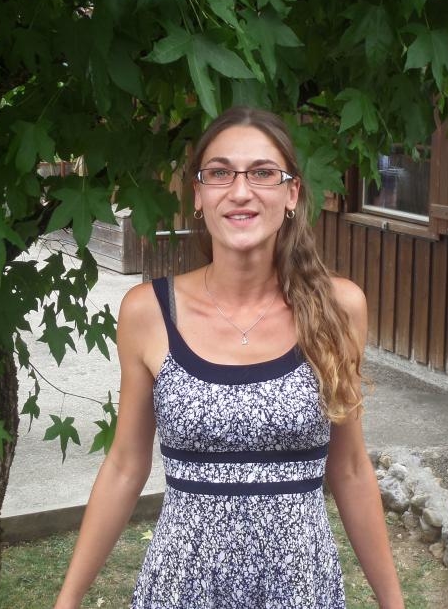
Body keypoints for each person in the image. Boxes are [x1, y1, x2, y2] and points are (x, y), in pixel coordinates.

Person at [53, 106, 405, 609]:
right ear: (198, 195)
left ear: (292, 193)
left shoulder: (338, 309)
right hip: (181, 589)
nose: (240, 191)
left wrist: (393, 603)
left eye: (262, 173)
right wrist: (67, 600)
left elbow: (348, 468)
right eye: (220, 173)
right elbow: (126, 465)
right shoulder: (148, 312)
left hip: (300, 590)